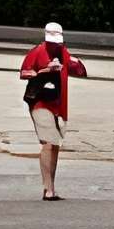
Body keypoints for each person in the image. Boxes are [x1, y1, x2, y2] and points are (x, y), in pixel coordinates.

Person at [20, 22, 85, 201]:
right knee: (48, 142)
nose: (55, 45)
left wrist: (76, 64)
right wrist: (44, 70)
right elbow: (25, 72)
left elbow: (76, 69)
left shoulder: (63, 52)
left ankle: (50, 187)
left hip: (57, 102)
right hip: (40, 100)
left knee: (55, 144)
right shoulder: (38, 51)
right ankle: (48, 188)